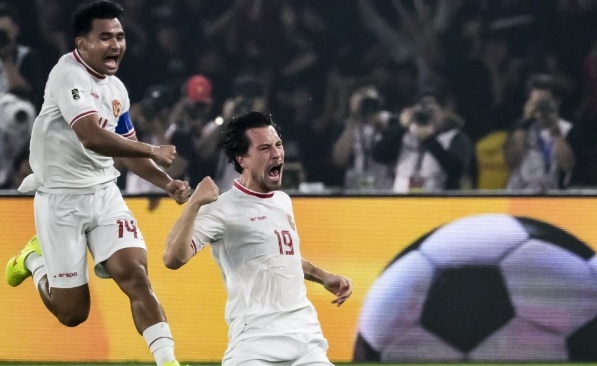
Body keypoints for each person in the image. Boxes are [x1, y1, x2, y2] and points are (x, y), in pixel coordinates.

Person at [4, 2, 190, 366]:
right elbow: (90, 136)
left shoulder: (116, 88)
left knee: (137, 277)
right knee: (73, 313)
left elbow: (128, 153)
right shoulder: (67, 74)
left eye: (119, 36)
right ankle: (34, 259)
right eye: (104, 37)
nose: (115, 45)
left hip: (105, 194)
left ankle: (169, 362)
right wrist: (153, 147)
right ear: (82, 42)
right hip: (60, 200)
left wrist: (166, 183)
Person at [163, 111, 353, 365]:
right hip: (254, 341)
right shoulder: (221, 207)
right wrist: (195, 203)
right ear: (242, 159)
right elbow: (173, 258)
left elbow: (283, 256)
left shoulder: (283, 201)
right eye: (264, 148)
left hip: (305, 337)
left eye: (278, 144)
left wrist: (324, 276)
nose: (277, 154)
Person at [373, 92, 474, 193]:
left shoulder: (455, 136)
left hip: (436, 201)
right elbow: (379, 155)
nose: (427, 115)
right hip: (400, 199)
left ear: (444, 112)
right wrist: (401, 127)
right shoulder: (404, 132)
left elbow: (458, 171)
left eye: (432, 111)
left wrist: (430, 141)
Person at [503, 75, 575, 192]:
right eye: (536, 103)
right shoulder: (519, 127)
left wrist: (555, 130)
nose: (540, 108)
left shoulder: (567, 129)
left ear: (557, 102)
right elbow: (510, 160)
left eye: (544, 103)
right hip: (518, 195)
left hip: (550, 199)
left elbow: (567, 166)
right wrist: (525, 123)